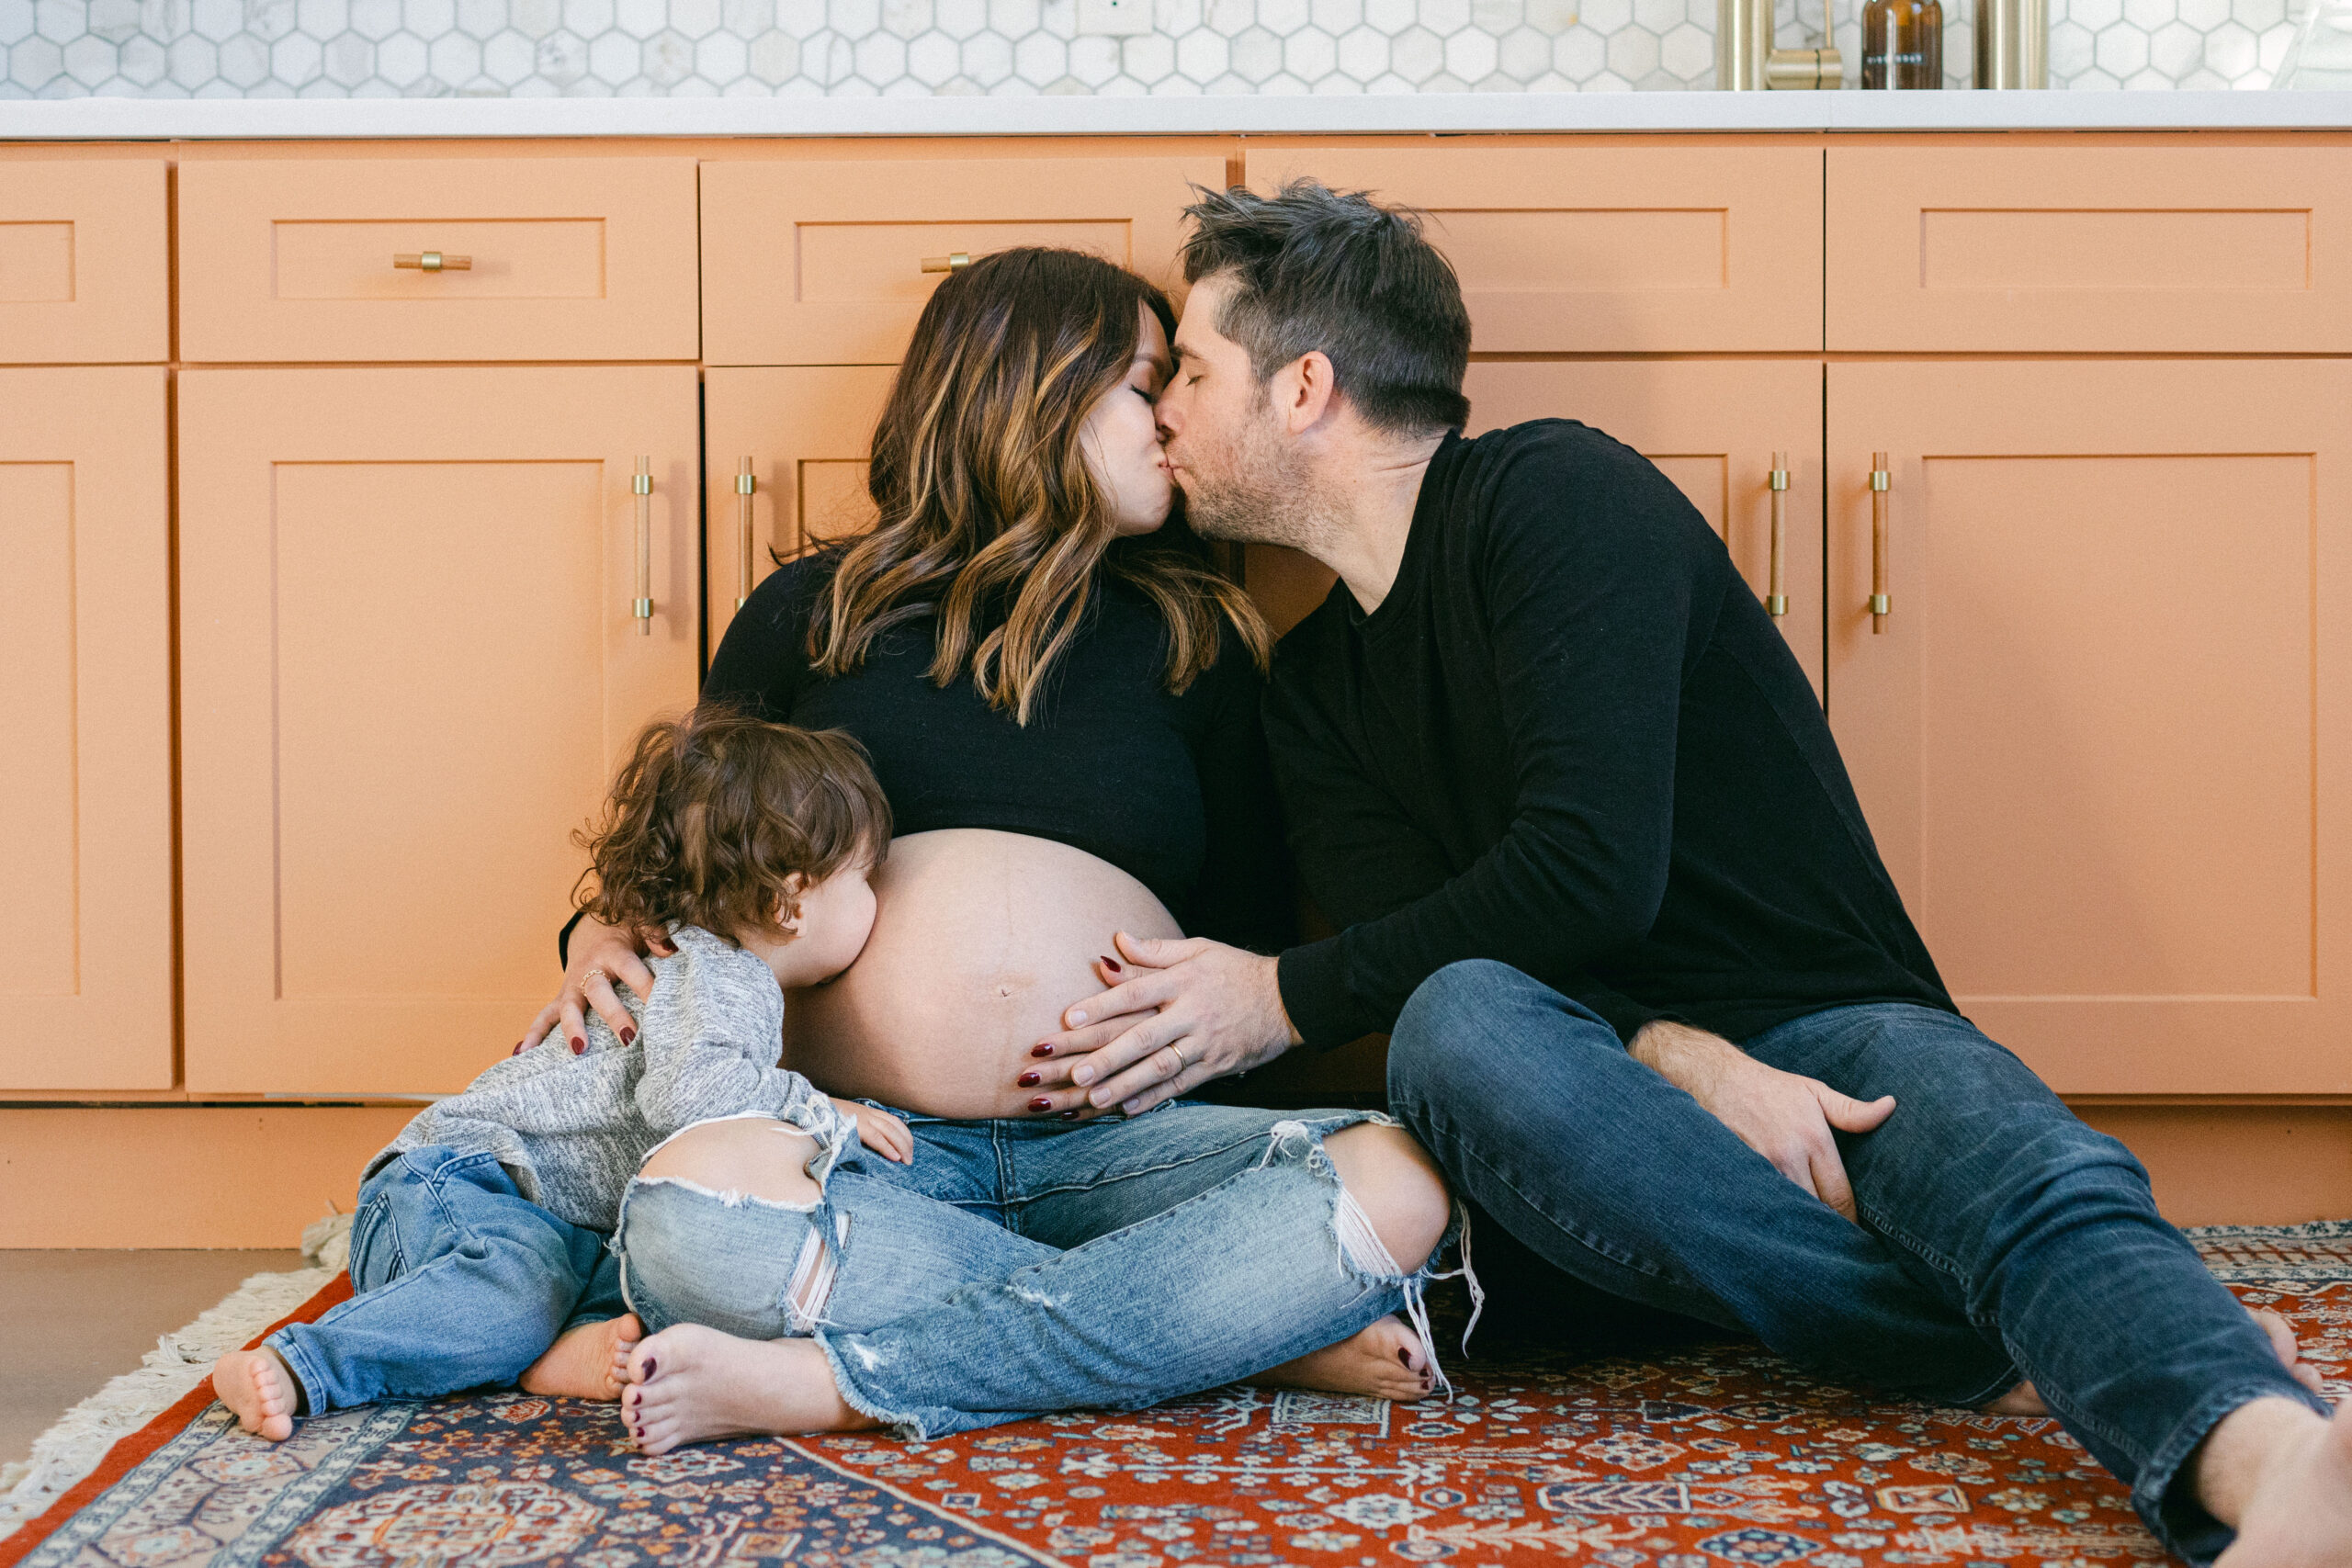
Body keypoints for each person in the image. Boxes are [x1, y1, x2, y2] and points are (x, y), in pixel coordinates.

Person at [1027, 180, 2351, 1568]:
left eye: (1190, 369)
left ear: (1303, 387)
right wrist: (1681, 1058)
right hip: (1592, 1095)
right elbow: (1425, 948)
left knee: (2023, 1174)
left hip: (1838, 1022)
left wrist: (1279, 996)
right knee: (1457, 1023)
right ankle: (1984, 1341)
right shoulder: (1310, 686)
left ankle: (2275, 1475)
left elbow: (1587, 867)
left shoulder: (1557, 496)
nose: (1165, 406)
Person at [527, 247, 1462, 1452]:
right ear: (1034, 392)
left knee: (1402, 1173)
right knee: (683, 1217)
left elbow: (1251, 934)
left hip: (1122, 1149)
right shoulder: (813, 612)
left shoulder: (1202, 639)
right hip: (859, 1141)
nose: (1177, 416)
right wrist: (597, 927)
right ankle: (1221, 1316)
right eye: (1144, 383)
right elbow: (692, 857)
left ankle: (839, 1379)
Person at [210, 707, 898, 1442]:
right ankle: (302, 1364)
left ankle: (541, 1354)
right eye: (864, 877)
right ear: (789, 902)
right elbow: (687, 1095)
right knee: (521, 1280)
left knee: (652, 1284)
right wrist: (822, 1107)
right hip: (458, 1182)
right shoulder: (727, 975)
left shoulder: (716, 971)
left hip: (550, 1222)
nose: (878, 898)